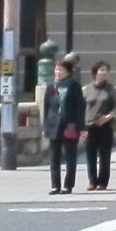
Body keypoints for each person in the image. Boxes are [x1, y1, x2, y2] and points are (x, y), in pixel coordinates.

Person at [43, 53, 86, 194]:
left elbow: (80, 108)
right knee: (54, 157)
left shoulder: (74, 86)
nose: (57, 72)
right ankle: (55, 185)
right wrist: (45, 126)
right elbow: (46, 107)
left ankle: (68, 185)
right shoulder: (51, 87)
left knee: (70, 157)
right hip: (54, 125)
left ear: (68, 72)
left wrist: (82, 128)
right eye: (56, 70)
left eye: (60, 70)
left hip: (70, 125)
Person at [81, 60, 116, 191]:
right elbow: (81, 108)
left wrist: (108, 117)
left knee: (104, 155)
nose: (104, 73)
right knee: (90, 155)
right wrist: (82, 127)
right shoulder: (87, 89)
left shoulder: (110, 89)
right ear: (95, 73)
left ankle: (102, 182)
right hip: (90, 126)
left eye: (106, 70)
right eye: (101, 70)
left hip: (105, 126)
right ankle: (92, 181)